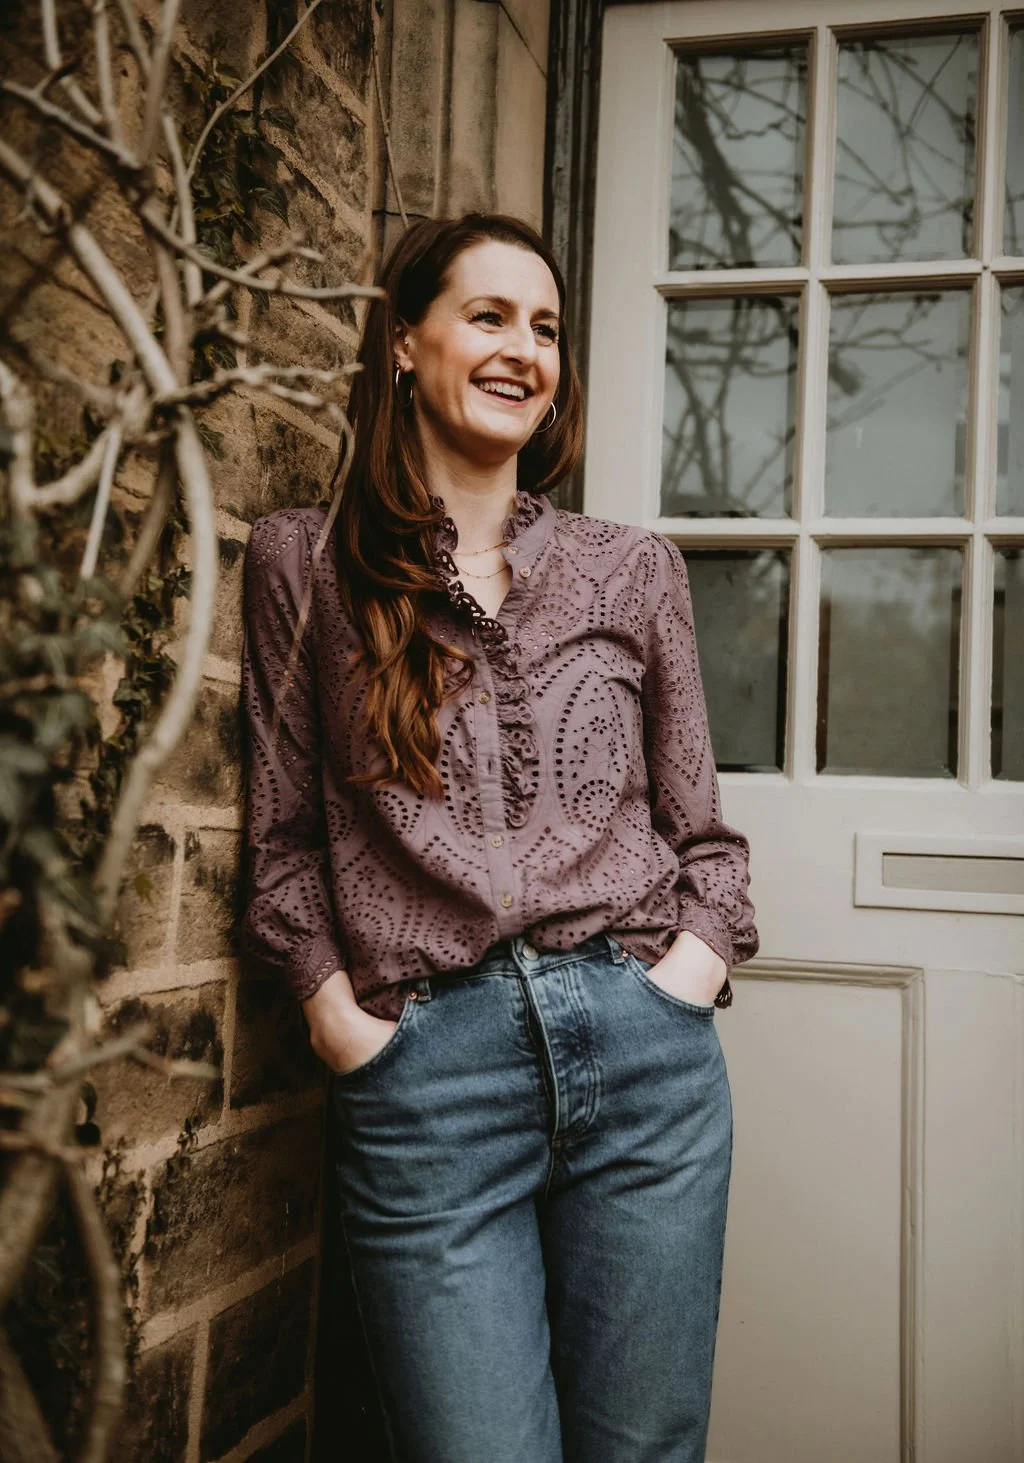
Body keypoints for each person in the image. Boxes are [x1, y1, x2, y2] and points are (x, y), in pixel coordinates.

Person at [240, 212, 758, 1463]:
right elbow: (280, 839)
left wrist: (690, 969)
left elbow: (702, 832)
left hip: (644, 1057)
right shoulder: (301, 563)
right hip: (427, 1073)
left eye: (546, 327)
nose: (525, 348)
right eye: (488, 316)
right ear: (404, 343)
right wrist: (337, 1016)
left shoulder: (632, 567)